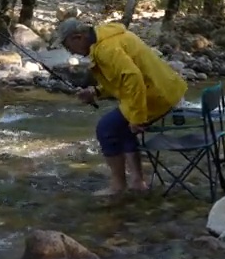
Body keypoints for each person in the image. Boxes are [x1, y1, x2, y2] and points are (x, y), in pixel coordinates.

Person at [52, 18, 188, 196]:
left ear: (78, 37)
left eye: (66, 45)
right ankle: (138, 181)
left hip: (157, 97)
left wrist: (137, 118)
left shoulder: (106, 50)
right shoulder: (107, 37)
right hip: (167, 89)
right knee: (122, 128)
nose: (69, 51)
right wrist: (96, 93)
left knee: (106, 128)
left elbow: (133, 78)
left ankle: (118, 185)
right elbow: (120, 81)